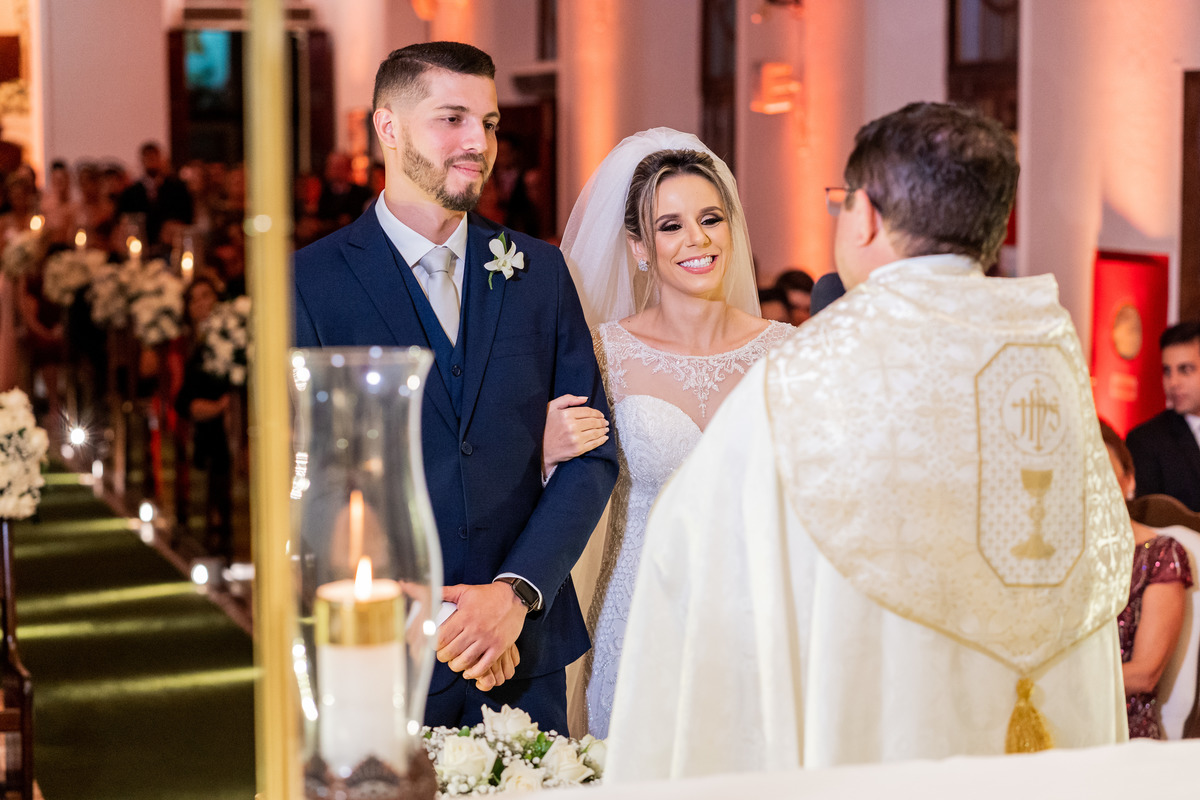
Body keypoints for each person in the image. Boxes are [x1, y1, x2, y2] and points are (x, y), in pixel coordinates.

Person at [605, 103, 1134, 780]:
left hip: (888, 732)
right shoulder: (1050, 363)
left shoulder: (804, 376)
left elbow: (692, 581)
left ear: (868, 217)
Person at [293, 42, 618, 733]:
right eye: (453, 119)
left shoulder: (540, 272)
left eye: (490, 123)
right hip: (385, 651)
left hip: (524, 650)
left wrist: (513, 595)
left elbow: (593, 456)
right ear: (388, 127)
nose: (479, 142)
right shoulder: (310, 282)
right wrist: (443, 618)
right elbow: (308, 481)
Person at [552, 129, 792, 738]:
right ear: (638, 246)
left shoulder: (789, 354)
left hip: (757, 611)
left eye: (711, 219)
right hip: (639, 611)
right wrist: (545, 451)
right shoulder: (602, 356)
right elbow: (560, 493)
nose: (698, 240)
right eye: (670, 226)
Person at [1100, 421, 1192, 739]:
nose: (1092, 484)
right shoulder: (1052, 560)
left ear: (1129, 480)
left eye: (1102, 472)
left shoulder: (1161, 554)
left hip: (1123, 731)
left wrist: (1058, 686)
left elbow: (1144, 674)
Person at [1127, 322, 1200, 511]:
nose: (1172, 382)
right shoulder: (1145, 441)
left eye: (1185, 370)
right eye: (1167, 371)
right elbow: (1149, 519)